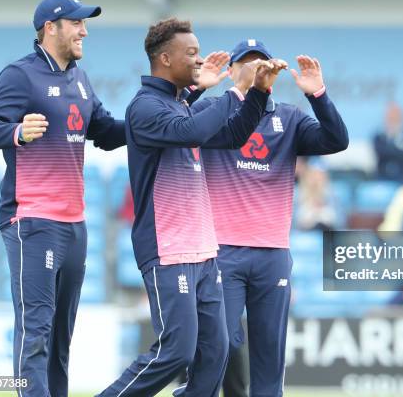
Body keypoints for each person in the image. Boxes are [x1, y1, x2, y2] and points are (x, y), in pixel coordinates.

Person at [97, 20, 286, 397]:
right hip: (169, 251)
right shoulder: (145, 107)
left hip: (204, 251)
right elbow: (191, 132)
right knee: (175, 351)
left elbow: (232, 136)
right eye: (192, 53)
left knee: (215, 356)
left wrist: (258, 94)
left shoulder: (180, 104)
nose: (199, 60)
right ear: (165, 59)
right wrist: (236, 90)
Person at [0, 0, 125, 396]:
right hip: (34, 220)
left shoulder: (80, 78)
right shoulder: (20, 75)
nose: (84, 31)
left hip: (75, 223)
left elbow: (106, 132)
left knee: (60, 337)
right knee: (36, 328)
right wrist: (17, 132)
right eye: (76, 23)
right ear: (50, 27)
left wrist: (166, 116)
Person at [190, 39, 348, 396]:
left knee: (269, 357)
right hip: (222, 252)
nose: (253, 69)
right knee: (221, 344)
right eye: (244, 64)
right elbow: (180, 123)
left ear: (272, 73)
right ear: (231, 71)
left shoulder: (288, 118)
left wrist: (318, 94)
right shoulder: (215, 110)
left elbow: (337, 140)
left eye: (260, 63)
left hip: (272, 254)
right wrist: (201, 88)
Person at [372, 102, 403, 182]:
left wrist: (396, 137)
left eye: (396, 117)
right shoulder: (378, 137)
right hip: (382, 178)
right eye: (391, 117)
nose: (393, 120)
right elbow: (380, 154)